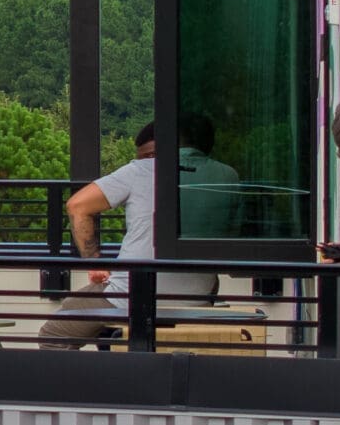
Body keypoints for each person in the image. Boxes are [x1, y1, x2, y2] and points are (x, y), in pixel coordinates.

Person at [40, 121, 218, 348]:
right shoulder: (227, 175)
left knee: (52, 335)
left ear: (157, 151)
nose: (141, 161)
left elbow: (78, 205)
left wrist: (94, 262)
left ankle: (89, 383)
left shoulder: (141, 170)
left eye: (146, 155)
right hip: (197, 299)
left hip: (132, 293)